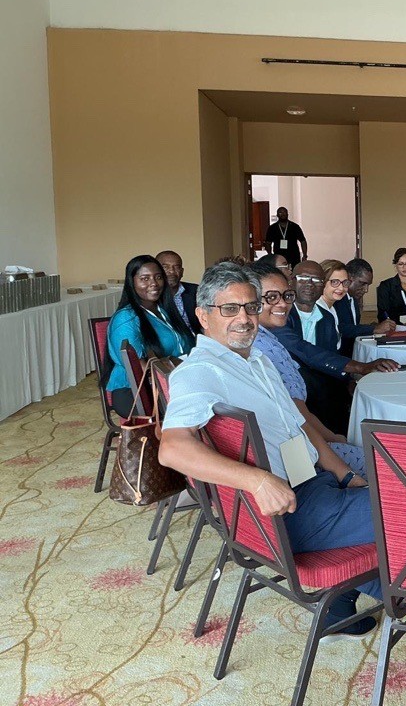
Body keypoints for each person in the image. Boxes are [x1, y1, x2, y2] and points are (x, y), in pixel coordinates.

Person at [159, 261, 378, 636]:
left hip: (313, 482)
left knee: (393, 499)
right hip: (289, 510)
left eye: (249, 306)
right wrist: (258, 480)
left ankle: (342, 604)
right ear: (202, 316)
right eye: (229, 309)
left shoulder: (257, 359)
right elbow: (173, 449)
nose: (243, 318)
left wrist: (343, 474)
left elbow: (300, 428)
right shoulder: (202, 371)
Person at [251, 262, 367, 476]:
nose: (281, 304)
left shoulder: (267, 337)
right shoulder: (261, 348)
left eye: (285, 296)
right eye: (270, 297)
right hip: (295, 459)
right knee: (381, 465)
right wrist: (345, 475)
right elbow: (298, 420)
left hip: (304, 432)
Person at [276, 260, 398, 433]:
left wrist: (350, 379)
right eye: (303, 278)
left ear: (322, 286)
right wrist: (359, 367)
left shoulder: (327, 318)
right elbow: (302, 349)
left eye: (317, 280)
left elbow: (330, 354)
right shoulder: (281, 313)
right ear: (292, 281)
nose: (310, 284)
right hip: (287, 390)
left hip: (320, 388)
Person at [101, 255, 195, 417]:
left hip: (172, 380)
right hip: (137, 391)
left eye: (158, 277)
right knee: (202, 404)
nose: (153, 283)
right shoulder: (127, 318)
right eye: (145, 278)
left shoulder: (164, 310)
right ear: (132, 282)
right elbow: (137, 367)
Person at [337, 258, 395, 356]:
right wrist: (373, 329)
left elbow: (353, 328)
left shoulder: (353, 300)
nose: (366, 290)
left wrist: (372, 326)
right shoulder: (337, 299)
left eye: (368, 285)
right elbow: (339, 329)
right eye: (362, 283)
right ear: (349, 277)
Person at [156, 250, 199, 333]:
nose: (172, 271)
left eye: (176, 267)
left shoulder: (195, 291)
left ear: (182, 272)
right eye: (165, 267)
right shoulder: (150, 295)